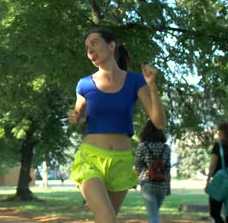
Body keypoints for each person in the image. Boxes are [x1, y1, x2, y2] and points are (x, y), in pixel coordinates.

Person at [68, 27, 166, 223]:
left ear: (111, 46)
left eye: (94, 43)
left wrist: (152, 86)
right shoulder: (84, 84)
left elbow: (159, 122)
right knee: (108, 219)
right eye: (87, 48)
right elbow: (77, 114)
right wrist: (75, 117)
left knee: (106, 219)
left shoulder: (135, 81)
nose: (90, 51)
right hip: (90, 159)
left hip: (121, 161)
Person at [135, 120, 171, 223]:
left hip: (147, 184)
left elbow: (138, 167)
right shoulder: (166, 148)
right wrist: (168, 187)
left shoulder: (142, 147)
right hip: (162, 185)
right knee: (154, 215)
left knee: (153, 217)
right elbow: (167, 169)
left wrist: (133, 183)